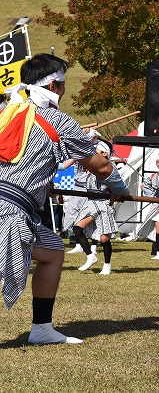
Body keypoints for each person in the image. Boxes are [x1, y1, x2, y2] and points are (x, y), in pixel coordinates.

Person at [0, 53, 129, 344]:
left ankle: (42, 329)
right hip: (8, 209)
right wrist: (118, 188)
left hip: (16, 206)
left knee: (53, 250)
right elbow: (103, 166)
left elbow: (17, 162)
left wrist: (41, 185)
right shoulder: (57, 120)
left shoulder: (5, 112)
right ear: (56, 85)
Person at [72, 139, 119, 274]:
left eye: (96, 151)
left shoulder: (111, 167)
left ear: (104, 154)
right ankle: (90, 256)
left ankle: (107, 265)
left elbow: (116, 186)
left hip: (104, 203)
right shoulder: (90, 166)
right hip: (91, 202)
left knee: (104, 238)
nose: (92, 153)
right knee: (77, 229)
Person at [64, 128, 101, 254]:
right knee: (73, 213)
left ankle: (94, 245)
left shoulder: (98, 151)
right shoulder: (79, 150)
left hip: (93, 187)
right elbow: (64, 165)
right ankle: (79, 243)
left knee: (92, 216)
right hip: (78, 186)